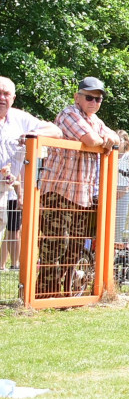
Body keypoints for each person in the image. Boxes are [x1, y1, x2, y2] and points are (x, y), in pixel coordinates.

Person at [37, 77, 122, 297]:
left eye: (98, 99)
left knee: (75, 248)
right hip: (58, 192)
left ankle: (66, 294)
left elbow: (116, 138)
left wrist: (107, 138)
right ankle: (44, 293)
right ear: (77, 97)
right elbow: (91, 140)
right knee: (56, 245)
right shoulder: (69, 114)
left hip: (82, 196)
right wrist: (105, 140)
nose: (94, 102)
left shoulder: (95, 120)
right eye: (89, 97)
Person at [0, 76, 61, 271]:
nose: (2, 97)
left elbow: (56, 131)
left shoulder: (20, 118)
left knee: (12, 229)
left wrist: (33, 135)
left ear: (13, 98)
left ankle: (14, 264)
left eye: (6, 94)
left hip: (9, 190)